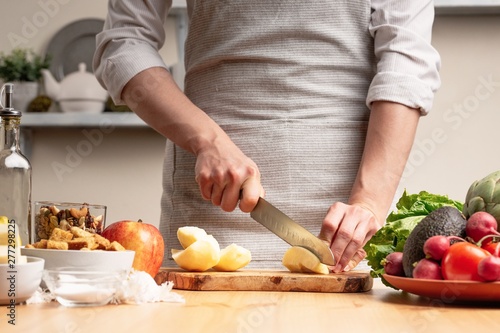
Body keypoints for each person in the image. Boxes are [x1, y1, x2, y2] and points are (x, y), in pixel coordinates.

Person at [93, 0, 441, 272]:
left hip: (352, 232)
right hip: (213, 211)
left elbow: (406, 61)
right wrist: (208, 141)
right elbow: (125, 42)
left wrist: (367, 202)